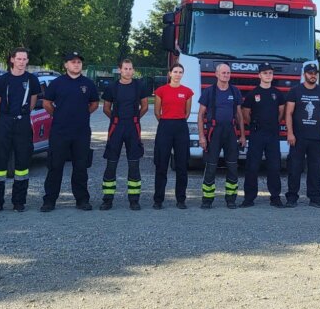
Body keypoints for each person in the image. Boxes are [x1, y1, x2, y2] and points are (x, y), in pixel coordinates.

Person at [41, 51, 99, 212]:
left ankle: (82, 200)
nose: (76, 64)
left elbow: (94, 103)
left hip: (81, 132)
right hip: (60, 131)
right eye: (72, 62)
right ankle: (49, 201)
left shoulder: (88, 83)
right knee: (55, 166)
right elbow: (47, 103)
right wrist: (58, 114)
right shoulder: (57, 83)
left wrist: (82, 114)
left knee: (80, 167)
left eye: (79, 62)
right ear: (66, 65)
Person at [0, 47, 41, 213]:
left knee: (22, 163)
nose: (22, 62)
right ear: (12, 60)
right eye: (19, 59)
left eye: (25, 59)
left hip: (22, 122)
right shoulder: (2, 80)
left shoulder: (32, 79)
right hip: (4, 122)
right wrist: (6, 117)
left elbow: (33, 101)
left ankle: (19, 202)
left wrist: (21, 115)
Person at [100, 58, 149, 210]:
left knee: (134, 163)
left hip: (133, 126)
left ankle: (134, 200)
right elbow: (106, 108)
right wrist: (116, 120)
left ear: (133, 70)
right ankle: (107, 199)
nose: (128, 71)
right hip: (116, 126)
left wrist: (134, 119)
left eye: (130, 69)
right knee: (111, 162)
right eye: (125, 69)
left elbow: (145, 106)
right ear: (120, 70)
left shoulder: (139, 86)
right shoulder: (112, 87)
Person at [284, 63, 320, 208]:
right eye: (310, 73)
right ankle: (292, 197)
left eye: (315, 73)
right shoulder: (295, 91)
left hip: (316, 138)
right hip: (298, 138)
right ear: (304, 74)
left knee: (315, 168)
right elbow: (289, 113)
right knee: (294, 168)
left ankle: (315, 198)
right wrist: (290, 133)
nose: (313, 75)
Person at [197, 63, 245, 208]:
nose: (226, 75)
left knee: (232, 166)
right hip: (214, 131)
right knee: (211, 166)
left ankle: (231, 199)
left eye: (228, 73)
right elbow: (200, 115)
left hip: (230, 132)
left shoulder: (235, 91)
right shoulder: (209, 92)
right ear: (216, 74)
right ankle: (207, 200)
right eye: (223, 73)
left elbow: (239, 115)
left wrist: (242, 135)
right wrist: (201, 136)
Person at [241, 63, 284, 207]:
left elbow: (281, 112)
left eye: (270, 73)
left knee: (274, 166)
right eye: (265, 73)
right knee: (252, 166)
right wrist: (255, 125)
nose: (268, 75)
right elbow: (245, 114)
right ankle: (249, 198)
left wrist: (271, 124)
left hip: (272, 134)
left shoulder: (277, 93)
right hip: (257, 134)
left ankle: (275, 197)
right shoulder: (252, 94)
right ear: (259, 75)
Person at [152, 63, 193, 209]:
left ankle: (181, 199)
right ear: (169, 73)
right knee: (161, 164)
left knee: (182, 165)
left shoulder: (187, 92)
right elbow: (157, 112)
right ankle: (158, 200)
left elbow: (187, 112)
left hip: (181, 127)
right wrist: (166, 122)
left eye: (180, 72)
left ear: (183, 74)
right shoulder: (161, 90)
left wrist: (178, 121)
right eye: (175, 71)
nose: (177, 74)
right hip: (165, 126)